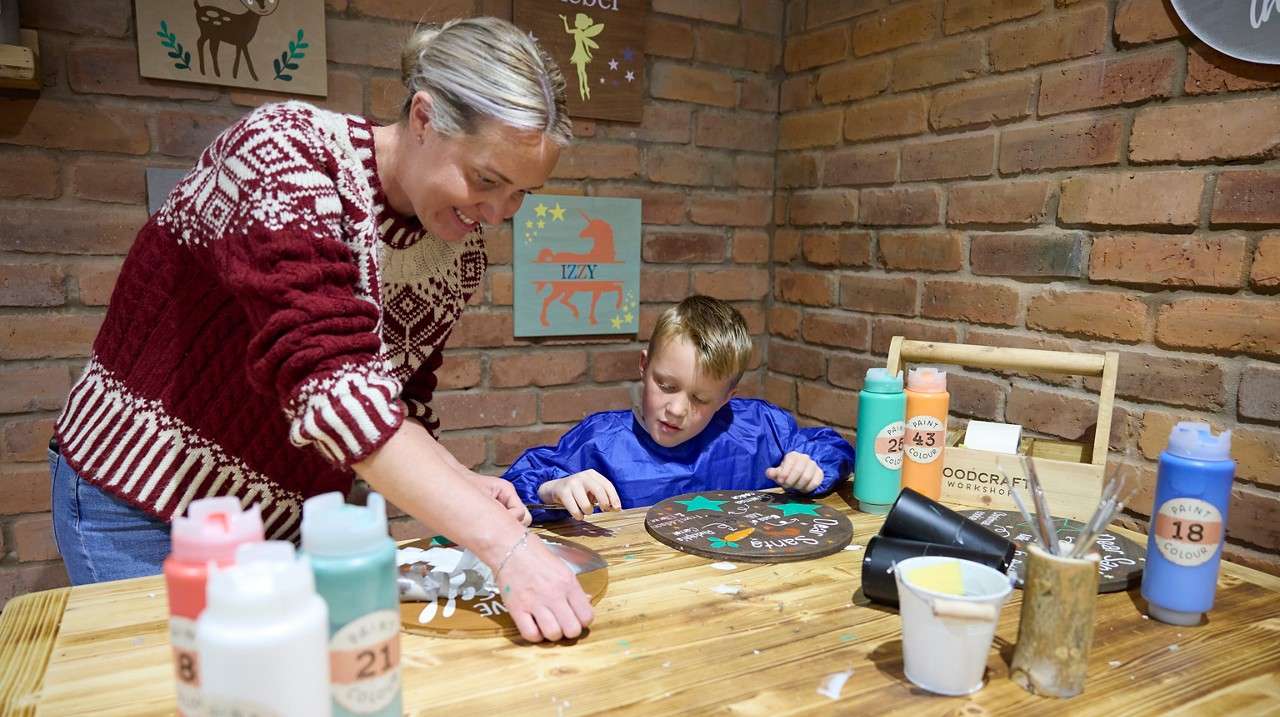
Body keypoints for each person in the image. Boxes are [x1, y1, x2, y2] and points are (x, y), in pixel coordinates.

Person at [49, 17, 592, 643]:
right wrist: (506, 547)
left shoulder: (458, 251)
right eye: (487, 180)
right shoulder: (285, 155)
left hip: (282, 521)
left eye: (522, 193)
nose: (496, 213)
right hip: (144, 495)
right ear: (423, 119)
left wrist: (461, 483)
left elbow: (397, 402)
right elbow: (335, 388)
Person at [503, 296, 856, 521]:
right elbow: (514, 489)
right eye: (666, 386)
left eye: (701, 399)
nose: (676, 409)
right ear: (644, 365)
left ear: (727, 398)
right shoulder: (601, 442)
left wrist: (811, 465)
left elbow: (831, 446)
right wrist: (552, 489)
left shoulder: (759, 428)